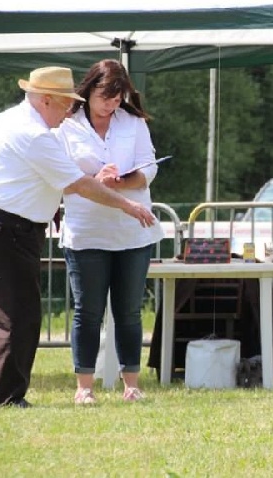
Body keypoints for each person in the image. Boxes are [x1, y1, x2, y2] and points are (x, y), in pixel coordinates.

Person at [0, 66, 156, 408]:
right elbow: (78, 184)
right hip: (8, 228)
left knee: (0, 318)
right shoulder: (35, 134)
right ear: (46, 100)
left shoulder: (8, 120)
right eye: (65, 103)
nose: (68, 111)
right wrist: (129, 205)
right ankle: (7, 397)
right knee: (19, 316)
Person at [56, 59, 164, 405]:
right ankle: (84, 387)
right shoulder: (66, 125)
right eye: (105, 97)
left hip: (133, 230)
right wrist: (95, 181)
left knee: (129, 311)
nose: (111, 105)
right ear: (89, 90)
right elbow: (58, 178)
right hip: (86, 231)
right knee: (87, 311)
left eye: (117, 99)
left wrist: (124, 181)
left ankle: (131, 384)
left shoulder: (134, 122)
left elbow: (150, 167)